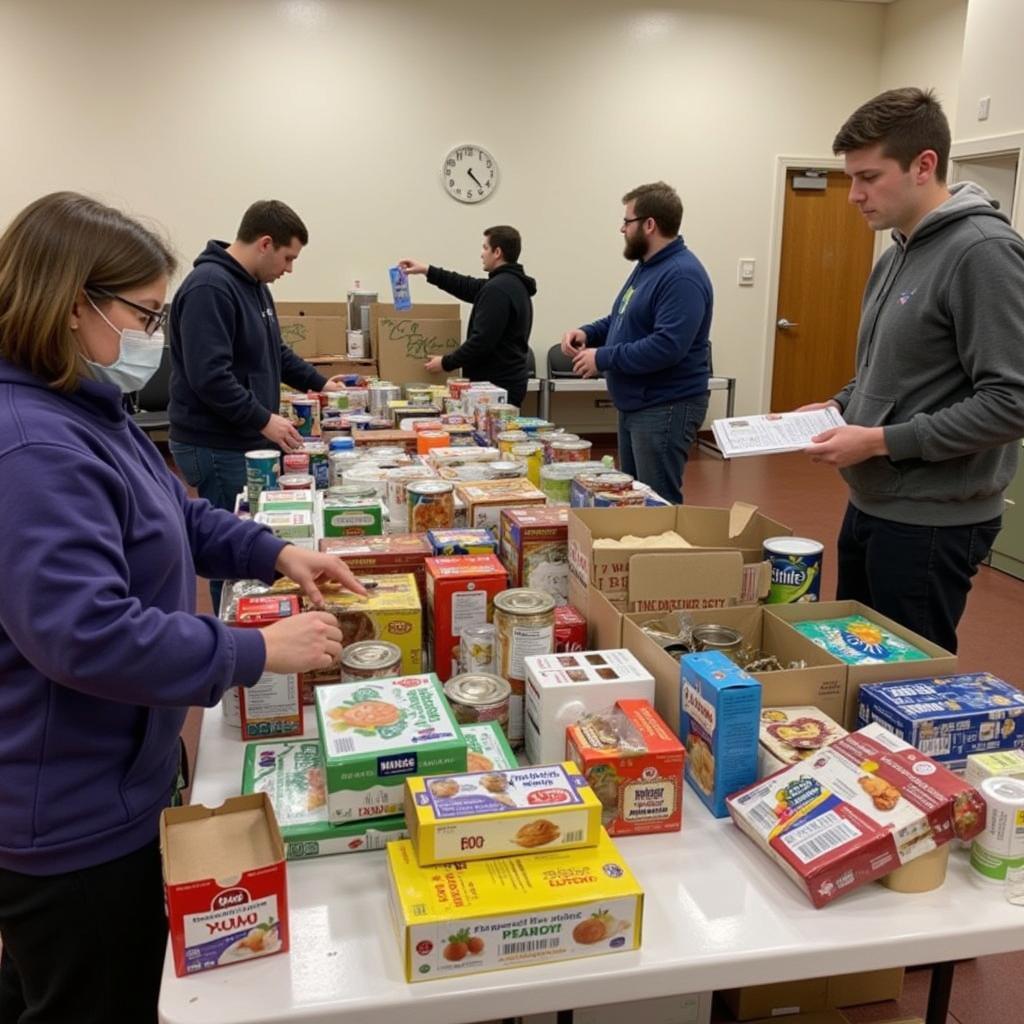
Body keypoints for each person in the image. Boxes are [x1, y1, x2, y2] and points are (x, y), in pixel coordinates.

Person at [0, 192, 366, 1023]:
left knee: (51, 982)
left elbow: (176, 515)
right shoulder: (31, 445)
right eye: (145, 315)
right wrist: (254, 651)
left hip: (122, 768)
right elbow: (84, 635)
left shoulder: (88, 405)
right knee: (94, 991)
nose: (152, 340)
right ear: (70, 306)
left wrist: (273, 551)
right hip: (68, 810)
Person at [802, 87, 1024, 652]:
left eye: (868, 178)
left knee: (905, 684)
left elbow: (1011, 401)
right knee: (857, 668)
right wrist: (840, 404)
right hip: (872, 501)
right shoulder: (898, 249)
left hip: (931, 522)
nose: (853, 196)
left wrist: (879, 440)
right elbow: (888, 371)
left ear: (925, 165)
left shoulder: (983, 252)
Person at [168, 200, 341, 609]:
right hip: (214, 443)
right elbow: (210, 377)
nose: (289, 269)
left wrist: (320, 383)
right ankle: (235, 630)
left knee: (251, 539)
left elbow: (274, 353)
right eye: (288, 257)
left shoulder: (254, 286)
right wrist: (264, 419)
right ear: (265, 243)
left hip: (241, 436)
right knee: (232, 548)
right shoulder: (210, 287)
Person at [560, 182, 712, 505]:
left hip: (665, 406)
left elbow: (667, 346)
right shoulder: (647, 268)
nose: (622, 229)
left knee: (657, 504)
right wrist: (589, 332)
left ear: (649, 224)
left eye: (627, 222)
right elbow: (623, 317)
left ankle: (661, 557)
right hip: (638, 404)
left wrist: (602, 357)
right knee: (635, 498)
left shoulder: (681, 275)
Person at [397, 225, 537, 406]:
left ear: (497, 252)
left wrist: (446, 363)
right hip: (507, 381)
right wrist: (427, 270)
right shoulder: (509, 284)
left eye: (485, 248)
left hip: (496, 385)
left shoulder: (498, 290)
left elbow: (482, 341)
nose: (481, 253)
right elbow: (466, 285)